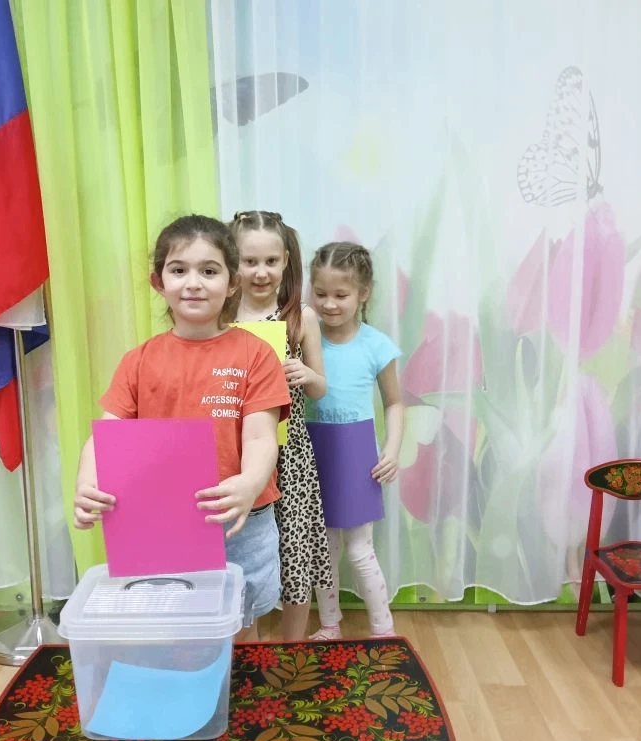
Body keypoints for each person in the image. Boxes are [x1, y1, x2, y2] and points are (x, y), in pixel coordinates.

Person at [73, 214, 291, 641]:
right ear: (159, 282)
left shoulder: (256, 354)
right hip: (165, 521)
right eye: (179, 270)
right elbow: (105, 437)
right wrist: (87, 484)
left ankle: (238, 684)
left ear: (232, 283)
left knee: (243, 625)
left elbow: (261, 436)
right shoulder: (139, 361)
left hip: (241, 521)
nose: (193, 283)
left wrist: (249, 484)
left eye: (209, 271)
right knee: (176, 626)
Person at [230, 210, 332, 641]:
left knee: (295, 553)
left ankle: (293, 649)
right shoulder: (221, 315)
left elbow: (321, 387)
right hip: (237, 454)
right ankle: (248, 647)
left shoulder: (300, 317)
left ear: (286, 261)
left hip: (290, 457)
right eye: (249, 261)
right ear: (232, 261)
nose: (261, 272)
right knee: (242, 556)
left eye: (271, 261)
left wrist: (306, 375)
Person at [306, 241, 404, 639]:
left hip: (357, 453)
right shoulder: (305, 340)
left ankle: (384, 630)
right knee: (323, 550)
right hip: (313, 450)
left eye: (340, 295)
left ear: (363, 293)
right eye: (321, 293)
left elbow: (395, 403)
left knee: (360, 550)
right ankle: (330, 625)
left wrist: (391, 450)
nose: (329, 304)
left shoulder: (376, 345)